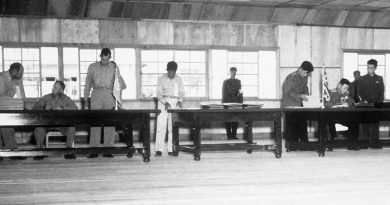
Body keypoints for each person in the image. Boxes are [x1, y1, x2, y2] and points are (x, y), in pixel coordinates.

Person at [84, 48, 125, 158]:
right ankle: (94, 150)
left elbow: (118, 85)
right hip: (96, 93)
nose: (105, 61)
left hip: (109, 94)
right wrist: (85, 99)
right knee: (95, 121)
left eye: (107, 60)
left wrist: (119, 100)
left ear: (110, 57)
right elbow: (87, 83)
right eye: (103, 59)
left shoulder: (114, 67)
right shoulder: (92, 67)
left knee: (109, 122)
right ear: (100, 56)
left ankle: (108, 149)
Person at [32, 81, 78, 160]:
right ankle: (39, 152)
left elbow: (75, 108)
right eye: (53, 86)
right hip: (47, 123)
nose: (53, 88)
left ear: (61, 90)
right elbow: (35, 107)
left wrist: (63, 108)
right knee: (38, 129)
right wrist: (46, 108)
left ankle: (68, 151)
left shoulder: (66, 98)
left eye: (56, 87)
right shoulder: (47, 97)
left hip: (62, 124)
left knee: (71, 128)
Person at [155, 61, 184, 156]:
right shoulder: (161, 79)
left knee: (173, 127)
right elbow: (159, 94)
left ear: (175, 71)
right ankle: (159, 149)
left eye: (173, 72)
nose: (171, 74)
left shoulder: (179, 79)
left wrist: (180, 100)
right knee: (161, 126)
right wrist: (165, 102)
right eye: (170, 72)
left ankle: (171, 149)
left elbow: (181, 93)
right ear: (167, 70)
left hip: (175, 102)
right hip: (163, 102)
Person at [282, 61, 313, 144]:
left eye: (307, 73)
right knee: (292, 126)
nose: (306, 75)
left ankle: (304, 143)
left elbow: (305, 87)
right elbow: (287, 92)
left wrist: (307, 95)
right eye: (305, 73)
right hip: (290, 105)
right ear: (301, 69)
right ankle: (292, 145)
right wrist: (300, 96)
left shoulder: (304, 77)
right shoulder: (291, 77)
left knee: (302, 123)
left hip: (300, 105)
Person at [324, 78, 359, 150]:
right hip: (333, 116)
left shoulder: (346, 93)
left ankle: (352, 144)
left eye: (347, 88)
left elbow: (352, 102)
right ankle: (330, 145)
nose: (346, 90)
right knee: (328, 122)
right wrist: (338, 104)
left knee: (354, 121)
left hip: (343, 116)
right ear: (340, 85)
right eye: (345, 88)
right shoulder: (330, 92)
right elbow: (326, 103)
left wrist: (348, 103)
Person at [357, 59, 384, 149]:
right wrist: (363, 101)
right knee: (364, 124)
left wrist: (379, 104)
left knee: (375, 124)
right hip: (365, 105)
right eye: (368, 67)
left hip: (376, 106)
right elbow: (359, 93)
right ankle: (364, 144)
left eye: (372, 68)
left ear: (375, 68)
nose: (370, 69)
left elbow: (381, 93)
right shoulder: (362, 79)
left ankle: (375, 143)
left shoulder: (379, 78)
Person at [0, 62, 25, 153]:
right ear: (14, 71)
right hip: (2, 105)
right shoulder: (1, 77)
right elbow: (1, 96)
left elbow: (21, 93)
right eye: (20, 72)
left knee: (8, 127)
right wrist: (14, 101)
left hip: (6, 107)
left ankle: (12, 150)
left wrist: (23, 104)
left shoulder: (17, 78)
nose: (22, 75)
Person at [222, 67, 243, 140]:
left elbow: (240, 91)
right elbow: (223, 93)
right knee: (227, 118)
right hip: (228, 101)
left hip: (236, 101)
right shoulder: (226, 81)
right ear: (230, 72)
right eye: (232, 71)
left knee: (235, 118)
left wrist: (241, 101)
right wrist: (224, 103)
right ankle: (229, 136)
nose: (234, 72)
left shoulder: (238, 81)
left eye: (235, 71)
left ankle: (234, 135)